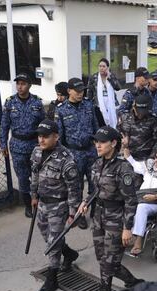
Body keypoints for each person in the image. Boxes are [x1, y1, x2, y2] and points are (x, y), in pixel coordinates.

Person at [78, 126, 144, 291]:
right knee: (103, 259)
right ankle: (133, 282)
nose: (97, 145)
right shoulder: (97, 163)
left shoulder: (123, 168)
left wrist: (127, 228)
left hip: (116, 219)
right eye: (96, 142)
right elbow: (96, 190)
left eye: (102, 142)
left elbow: (131, 200)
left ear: (114, 143)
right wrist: (86, 202)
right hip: (99, 215)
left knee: (109, 262)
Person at [30, 119, 81, 291]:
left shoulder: (66, 160)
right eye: (39, 136)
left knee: (52, 242)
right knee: (48, 236)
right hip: (43, 203)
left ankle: (52, 278)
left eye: (46, 136)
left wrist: (73, 213)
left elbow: (74, 189)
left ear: (56, 136)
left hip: (59, 206)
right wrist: (34, 195)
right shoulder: (37, 151)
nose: (41, 140)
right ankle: (69, 254)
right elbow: (34, 174)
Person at [55, 77, 99, 230]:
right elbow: (59, 137)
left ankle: (95, 210)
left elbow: (95, 127)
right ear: (69, 91)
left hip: (91, 151)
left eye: (82, 91)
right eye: (77, 91)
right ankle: (79, 215)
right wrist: (64, 157)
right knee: (76, 187)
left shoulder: (88, 105)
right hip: (74, 153)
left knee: (95, 183)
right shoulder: (61, 110)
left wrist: (98, 146)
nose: (81, 93)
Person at [0, 73, 45, 218]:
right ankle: (27, 205)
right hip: (17, 146)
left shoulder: (37, 103)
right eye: (18, 83)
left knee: (37, 175)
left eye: (23, 83)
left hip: (34, 145)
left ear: (29, 85)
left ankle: (38, 200)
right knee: (23, 177)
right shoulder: (10, 102)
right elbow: (4, 125)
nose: (20, 86)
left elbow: (44, 125)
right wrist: (3, 143)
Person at [124, 145, 157, 256]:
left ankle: (138, 241)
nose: (155, 161)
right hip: (142, 198)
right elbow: (136, 165)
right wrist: (127, 154)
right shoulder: (151, 166)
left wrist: (156, 196)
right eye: (155, 157)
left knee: (141, 208)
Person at [117, 94, 157, 161]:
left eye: (143, 112)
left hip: (145, 158)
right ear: (134, 107)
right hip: (127, 156)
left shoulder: (152, 120)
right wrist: (122, 140)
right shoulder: (124, 117)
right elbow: (118, 133)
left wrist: (152, 156)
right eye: (139, 112)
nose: (141, 114)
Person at [86, 58, 122, 129]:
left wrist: (110, 78)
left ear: (107, 67)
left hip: (111, 105)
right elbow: (89, 91)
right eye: (100, 66)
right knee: (101, 126)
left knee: (112, 126)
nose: (101, 68)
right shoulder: (94, 77)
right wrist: (89, 104)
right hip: (99, 106)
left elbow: (118, 87)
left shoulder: (111, 76)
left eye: (103, 66)